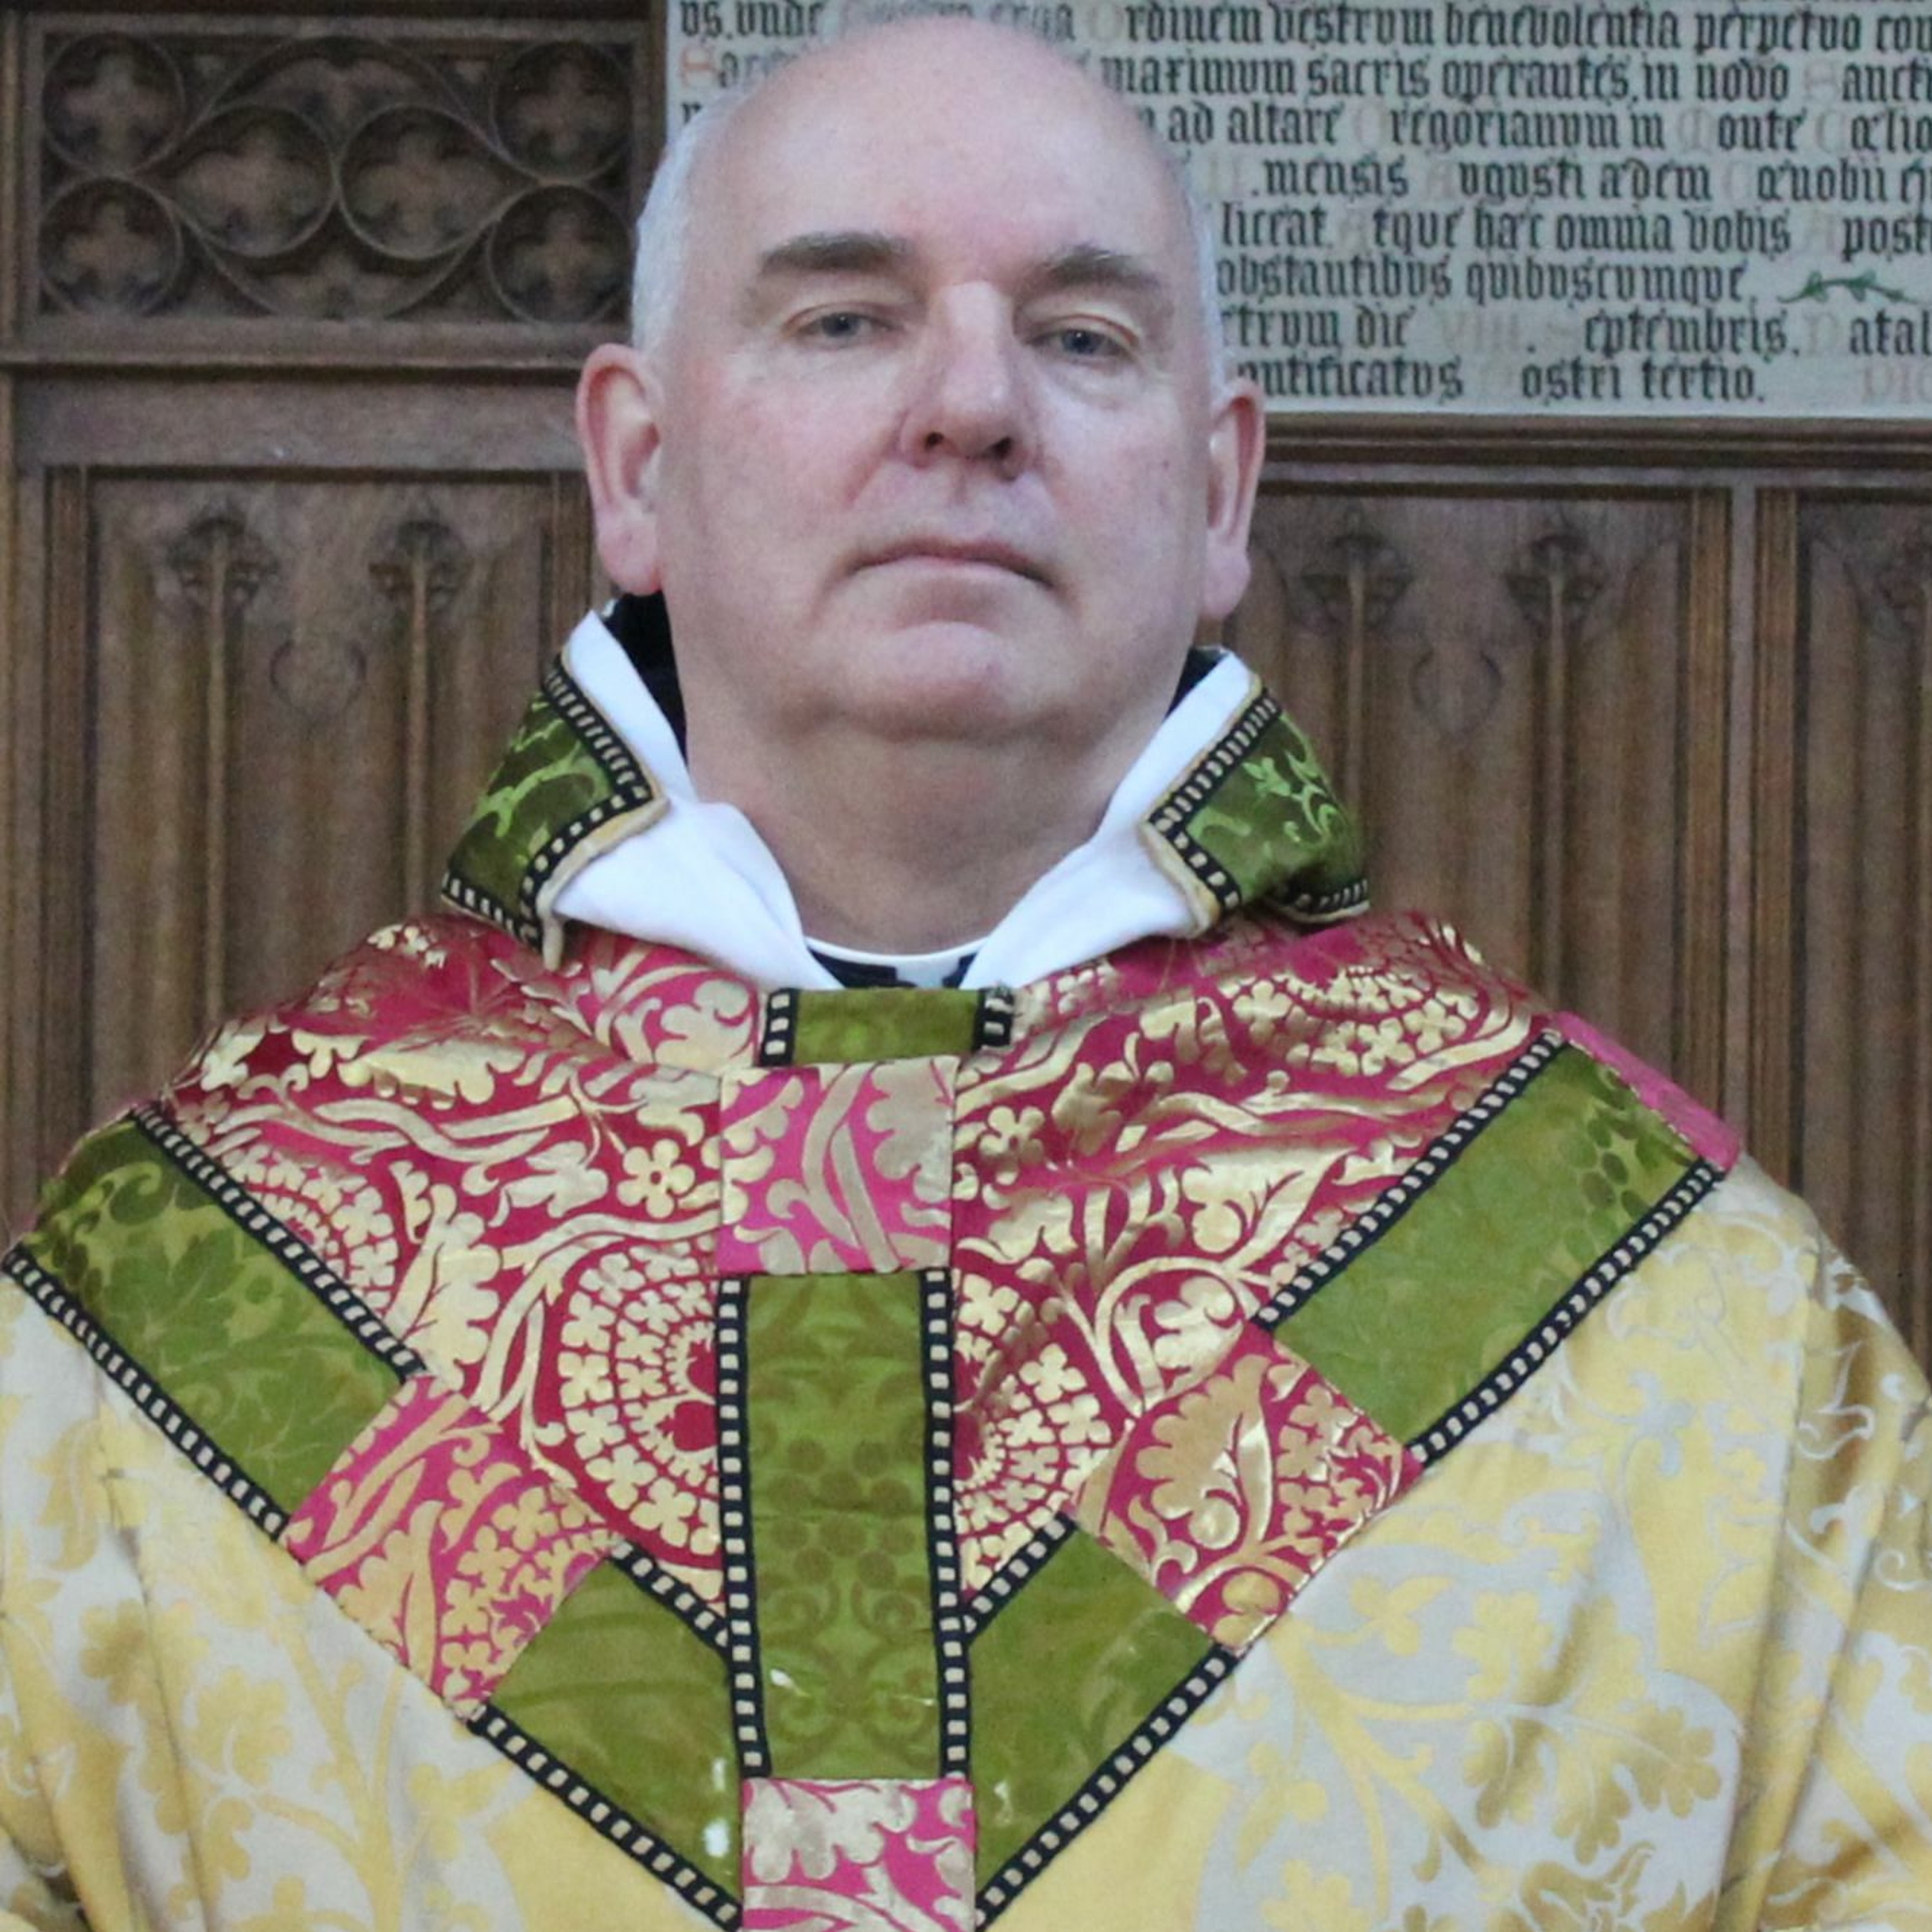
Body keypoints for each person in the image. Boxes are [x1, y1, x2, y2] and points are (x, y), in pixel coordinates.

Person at [2, 12, 1928, 1930]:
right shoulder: (178, 1291)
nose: (973, 406)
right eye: (845, 318)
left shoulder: (1677, 1308)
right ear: (638, 465)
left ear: (1220, 495)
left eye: (1083, 338)